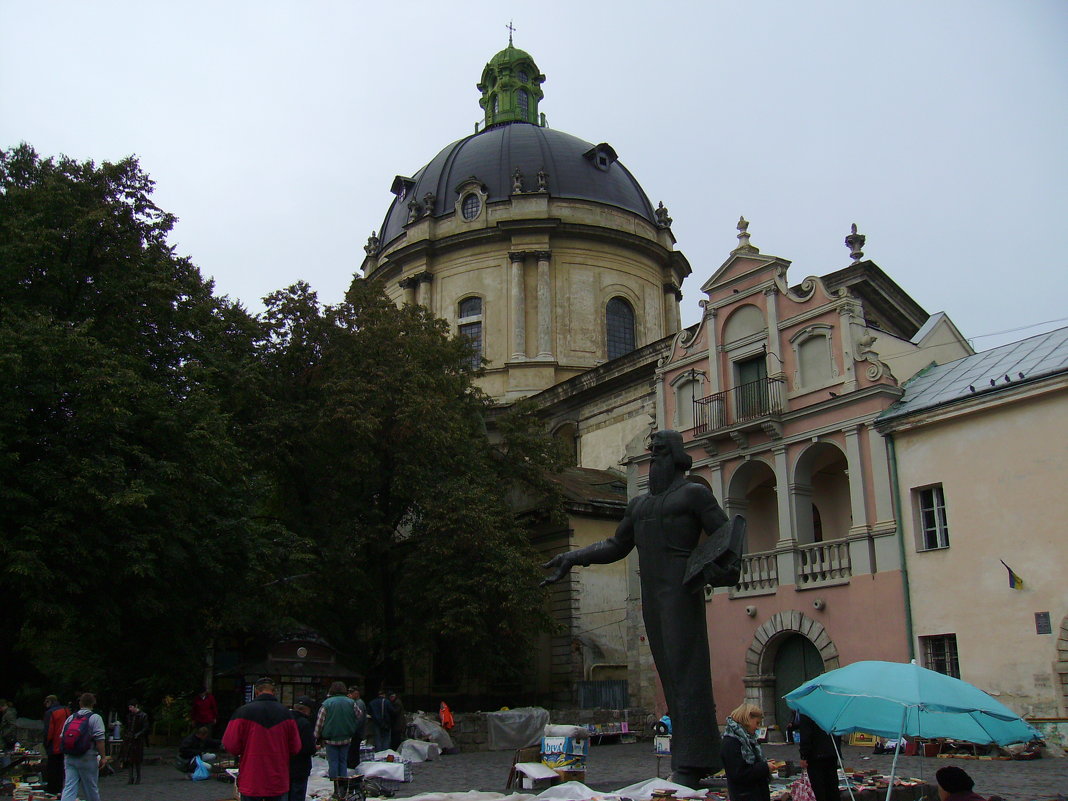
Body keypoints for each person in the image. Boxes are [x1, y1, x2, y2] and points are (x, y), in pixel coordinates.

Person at [541, 429, 739, 786]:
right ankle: (695, 757)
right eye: (653, 454)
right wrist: (573, 556)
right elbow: (616, 545)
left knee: (687, 673)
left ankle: (694, 761)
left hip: (681, 590)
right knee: (671, 676)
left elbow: (726, 537)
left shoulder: (695, 494)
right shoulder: (639, 505)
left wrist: (722, 570)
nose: (655, 461)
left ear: (676, 458)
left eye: (661, 454)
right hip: (653, 594)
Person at [223, 677, 301, 801]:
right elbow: (295, 747)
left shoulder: (243, 712)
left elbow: (231, 745)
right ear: (274, 692)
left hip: (251, 777)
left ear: (256, 692)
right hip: (277, 779)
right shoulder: (287, 714)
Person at [60, 692, 109, 801]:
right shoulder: (95, 718)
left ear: (80, 703)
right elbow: (100, 740)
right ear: (93, 703)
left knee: (69, 787)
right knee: (91, 788)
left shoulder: (71, 718)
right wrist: (103, 757)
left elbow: (62, 736)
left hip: (70, 757)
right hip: (87, 757)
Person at [314, 681, 363, 790]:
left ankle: (335, 787)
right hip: (346, 737)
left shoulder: (327, 703)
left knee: (333, 762)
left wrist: (316, 736)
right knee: (343, 761)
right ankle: (344, 787)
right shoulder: (351, 702)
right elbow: (359, 714)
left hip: (331, 738)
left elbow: (320, 722)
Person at [720, 703, 772, 801]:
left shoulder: (747, 739)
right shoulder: (732, 742)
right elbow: (739, 774)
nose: (758, 728)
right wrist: (765, 767)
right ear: (747, 719)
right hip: (745, 796)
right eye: (757, 723)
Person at [797, 712, 841, 801]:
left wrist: (804, 756)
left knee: (818, 789)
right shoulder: (829, 709)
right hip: (831, 752)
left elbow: (806, 734)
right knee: (832, 787)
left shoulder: (806, 710)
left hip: (815, 756)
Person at [288, 697, 317, 801]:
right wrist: (315, 747)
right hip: (300, 766)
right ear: (306, 710)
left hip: (283, 764)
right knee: (297, 794)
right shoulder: (304, 723)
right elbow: (309, 747)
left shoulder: (283, 721)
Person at [43, 694, 69, 794]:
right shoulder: (66, 710)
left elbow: (48, 731)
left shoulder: (50, 712)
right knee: (62, 769)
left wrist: (46, 743)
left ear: (49, 702)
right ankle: (60, 789)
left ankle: (52, 790)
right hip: (65, 744)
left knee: (53, 769)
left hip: (54, 745)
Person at [119, 699, 149, 784]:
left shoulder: (143, 715)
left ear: (136, 706)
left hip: (138, 740)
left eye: (131, 707)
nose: (130, 709)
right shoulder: (129, 716)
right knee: (129, 758)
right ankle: (130, 777)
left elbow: (145, 728)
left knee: (137, 759)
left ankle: (138, 777)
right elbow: (127, 727)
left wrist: (138, 734)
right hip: (129, 739)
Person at [345, 686, 368, 770]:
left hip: (357, 732)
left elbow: (359, 719)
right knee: (353, 750)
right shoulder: (356, 702)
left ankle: (353, 766)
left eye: (351, 693)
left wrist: (352, 730)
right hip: (356, 731)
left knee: (353, 751)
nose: (349, 695)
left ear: (357, 693)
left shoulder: (359, 703)